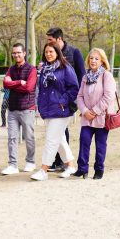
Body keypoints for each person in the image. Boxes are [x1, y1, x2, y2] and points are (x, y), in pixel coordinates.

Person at [30, 43, 79, 181]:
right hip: (47, 110)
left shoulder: (65, 68)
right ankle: (70, 166)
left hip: (60, 110)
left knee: (51, 140)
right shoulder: (44, 69)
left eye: (51, 51)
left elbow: (74, 88)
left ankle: (44, 170)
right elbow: (42, 91)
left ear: (57, 52)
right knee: (59, 139)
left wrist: (62, 102)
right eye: (46, 52)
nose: (48, 54)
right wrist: (40, 106)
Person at [46, 27, 86, 171]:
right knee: (58, 130)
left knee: (61, 128)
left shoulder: (74, 52)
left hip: (68, 98)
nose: (48, 42)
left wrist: (79, 100)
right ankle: (60, 161)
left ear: (59, 39)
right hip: (52, 99)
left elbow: (82, 75)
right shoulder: (49, 53)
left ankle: (62, 162)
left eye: (50, 40)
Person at [74, 48, 116, 180]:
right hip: (87, 118)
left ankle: (99, 170)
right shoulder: (85, 77)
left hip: (102, 118)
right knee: (84, 142)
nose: (93, 61)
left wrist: (94, 111)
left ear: (102, 61)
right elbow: (79, 96)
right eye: (91, 58)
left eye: (96, 58)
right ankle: (82, 169)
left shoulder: (107, 76)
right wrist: (85, 111)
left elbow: (108, 96)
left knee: (100, 145)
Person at [1, 43, 37, 175]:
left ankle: (31, 162)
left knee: (29, 137)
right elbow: (5, 84)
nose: (16, 55)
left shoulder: (32, 69)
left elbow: (28, 88)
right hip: (12, 109)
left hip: (27, 108)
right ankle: (13, 165)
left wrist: (13, 84)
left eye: (18, 52)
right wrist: (19, 82)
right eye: (14, 53)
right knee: (12, 138)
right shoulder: (11, 69)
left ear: (24, 53)